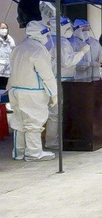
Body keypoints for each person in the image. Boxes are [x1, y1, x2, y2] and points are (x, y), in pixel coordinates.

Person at [7, 21, 58, 161]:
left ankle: (18, 152)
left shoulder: (19, 47)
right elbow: (46, 75)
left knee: (18, 122)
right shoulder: (38, 50)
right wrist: (54, 93)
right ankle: (34, 153)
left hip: (15, 90)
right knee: (33, 123)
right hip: (32, 92)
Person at [45, 17, 89, 150]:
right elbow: (67, 62)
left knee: (54, 113)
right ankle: (53, 142)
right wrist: (81, 52)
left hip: (54, 79)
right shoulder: (61, 42)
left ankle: (54, 140)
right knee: (56, 113)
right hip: (61, 80)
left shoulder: (50, 40)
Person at [0, 22, 16, 90]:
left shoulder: (10, 40)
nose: (5, 30)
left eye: (6, 28)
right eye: (2, 28)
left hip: (6, 70)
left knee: (3, 88)